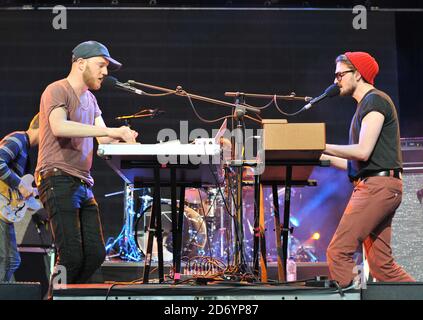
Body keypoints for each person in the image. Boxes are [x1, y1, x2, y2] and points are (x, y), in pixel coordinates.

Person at [35, 40, 138, 287]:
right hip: (57, 177)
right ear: (81, 64)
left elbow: (103, 139)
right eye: (101, 65)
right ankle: (54, 295)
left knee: (95, 254)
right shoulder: (57, 89)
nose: (105, 72)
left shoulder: (91, 100)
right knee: (70, 254)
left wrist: (130, 143)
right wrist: (115, 131)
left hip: (82, 182)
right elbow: (59, 126)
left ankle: (67, 294)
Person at [321, 51, 415, 287]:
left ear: (358, 74)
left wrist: (321, 145)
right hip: (379, 185)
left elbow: (362, 151)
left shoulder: (375, 101)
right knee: (382, 266)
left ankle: (351, 294)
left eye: (340, 74)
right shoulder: (366, 106)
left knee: (338, 252)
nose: (335, 81)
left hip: (377, 188)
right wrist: (319, 156)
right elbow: (358, 164)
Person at [0, 114, 40, 281]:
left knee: (11, 261)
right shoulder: (18, 139)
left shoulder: (24, 148)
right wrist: (21, 186)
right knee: (7, 260)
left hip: (5, 211)